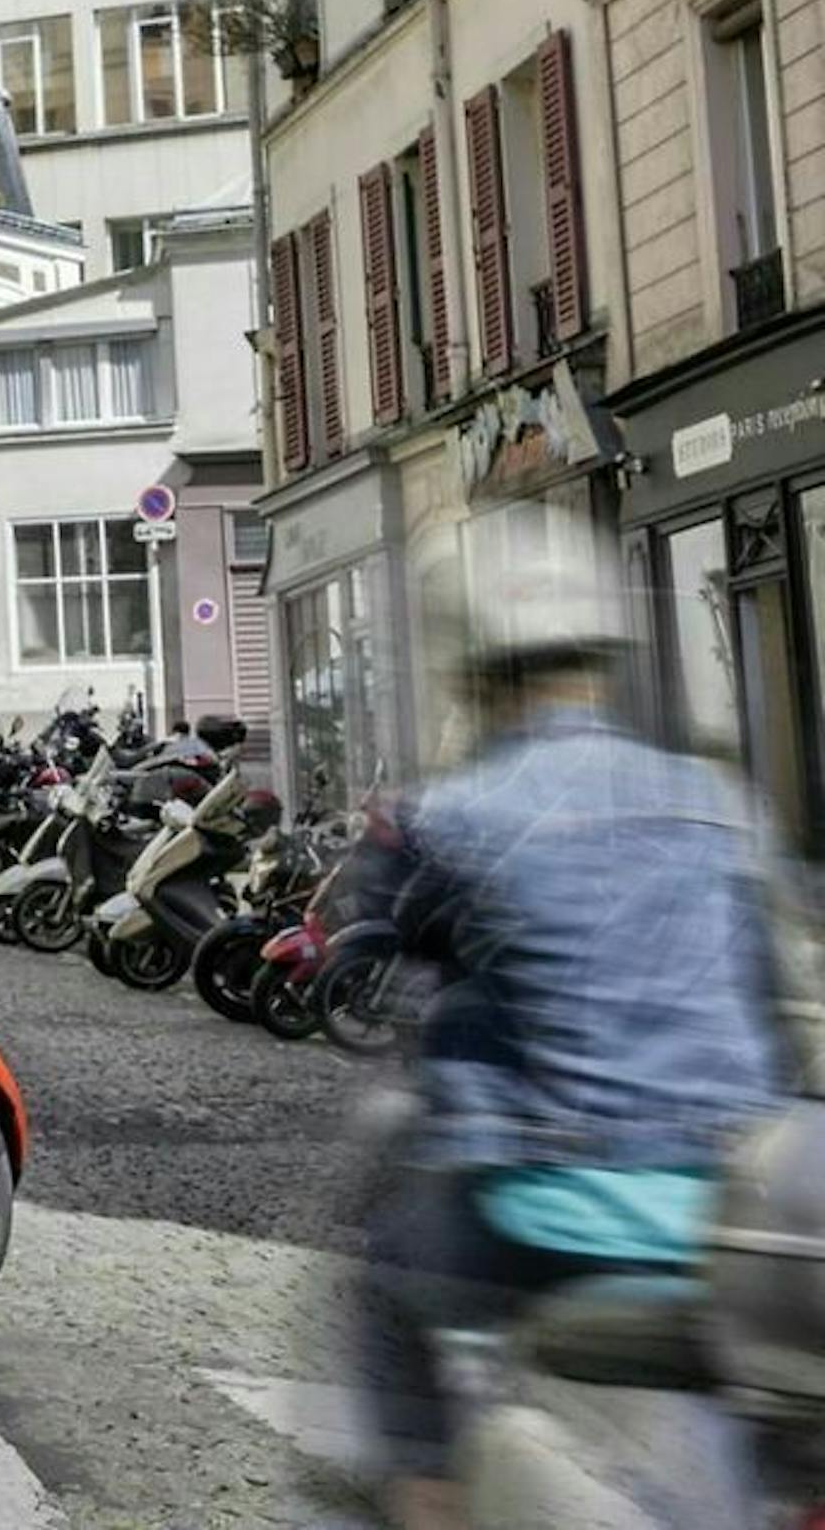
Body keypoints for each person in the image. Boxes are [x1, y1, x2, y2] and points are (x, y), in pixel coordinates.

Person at [347, 505, 791, 1530]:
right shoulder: (718, 800)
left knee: (383, 1262)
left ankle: (425, 1489)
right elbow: (775, 985)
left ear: (468, 671)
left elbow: (365, 950)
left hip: (543, 1211)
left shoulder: (451, 815)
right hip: (732, 1210)